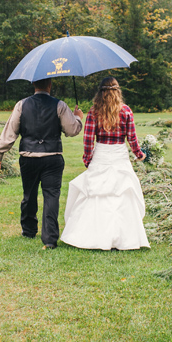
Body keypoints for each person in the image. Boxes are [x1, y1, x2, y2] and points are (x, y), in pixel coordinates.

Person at [0, 78, 84, 249]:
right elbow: (72, 130)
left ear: (34, 84)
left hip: (28, 157)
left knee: (29, 194)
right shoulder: (60, 105)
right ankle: (49, 239)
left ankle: (28, 230)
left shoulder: (21, 105)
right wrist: (78, 118)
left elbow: (11, 131)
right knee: (51, 196)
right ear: (50, 85)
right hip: (52, 157)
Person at [60, 76, 150, 251]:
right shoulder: (126, 111)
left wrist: (88, 159)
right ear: (118, 92)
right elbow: (132, 139)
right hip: (119, 155)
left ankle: (91, 236)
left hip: (101, 154)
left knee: (96, 194)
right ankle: (124, 239)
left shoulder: (94, 112)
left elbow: (88, 140)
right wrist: (140, 155)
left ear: (100, 93)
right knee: (121, 195)